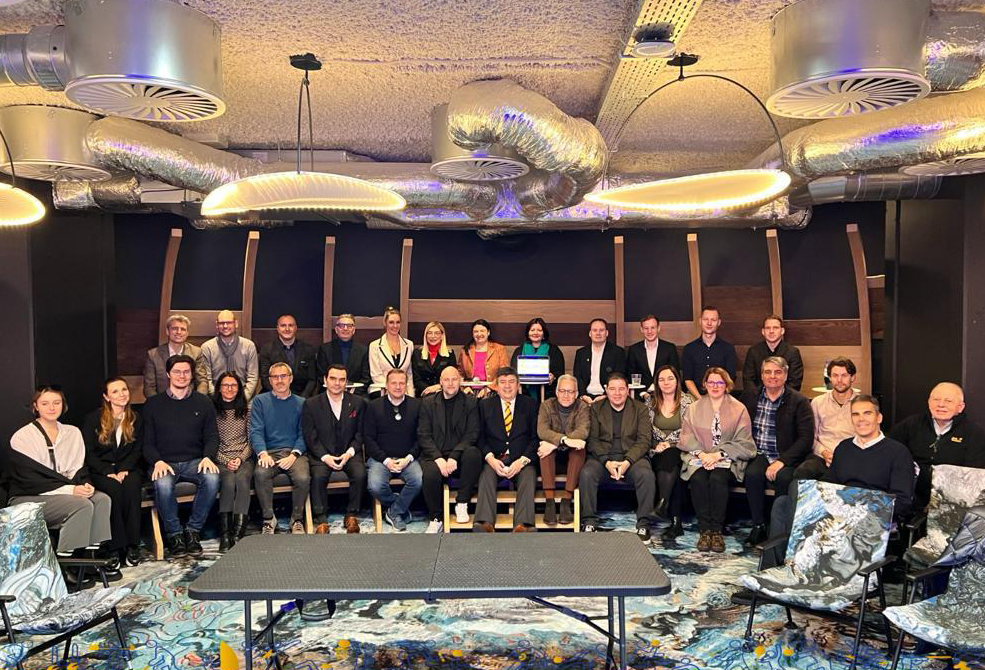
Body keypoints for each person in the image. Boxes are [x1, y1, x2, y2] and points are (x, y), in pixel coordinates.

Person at [771, 395, 916, 541]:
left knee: (800, 514)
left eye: (867, 413)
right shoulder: (843, 448)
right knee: (782, 503)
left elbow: (902, 502)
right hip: (840, 511)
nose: (861, 419)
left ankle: (795, 554)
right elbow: (829, 483)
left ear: (879, 418)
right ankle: (781, 559)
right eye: (855, 414)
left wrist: (861, 507)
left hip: (871, 516)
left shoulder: (898, 452)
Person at [5, 387, 113, 556]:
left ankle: (92, 558)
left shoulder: (72, 432)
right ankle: (67, 563)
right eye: (45, 403)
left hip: (64, 492)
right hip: (29, 496)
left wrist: (86, 485)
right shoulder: (23, 437)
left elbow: (79, 470)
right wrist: (72, 490)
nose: (52, 408)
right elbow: (31, 479)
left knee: (102, 499)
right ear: (36, 406)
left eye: (57, 403)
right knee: (80, 504)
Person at [141, 354, 220, 559]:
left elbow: (212, 436)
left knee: (212, 478)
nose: (182, 375)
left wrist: (208, 457)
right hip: (164, 462)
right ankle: (175, 535)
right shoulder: (153, 404)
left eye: (186, 371)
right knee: (163, 484)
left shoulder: (204, 403)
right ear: (168, 374)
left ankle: (193, 531)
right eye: (177, 371)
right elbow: (147, 442)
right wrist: (157, 461)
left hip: (195, 461)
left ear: (192, 374)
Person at [678, 367, 756, 553]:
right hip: (700, 456)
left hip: (726, 458)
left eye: (719, 382)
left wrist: (718, 454)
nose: (715, 386)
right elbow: (686, 437)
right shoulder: (694, 408)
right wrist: (703, 455)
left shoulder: (739, 408)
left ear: (727, 385)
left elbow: (745, 442)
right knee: (698, 479)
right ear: (704, 384)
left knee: (717, 479)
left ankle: (717, 530)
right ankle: (705, 530)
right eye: (711, 382)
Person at [739, 357, 814, 547]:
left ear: (786, 375)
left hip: (787, 456)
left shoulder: (799, 401)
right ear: (762, 375)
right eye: (768, 372)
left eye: (777, 372)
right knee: (752, 475)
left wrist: (782, 461)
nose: (772, 376)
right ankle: (758, 526)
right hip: (759, 452)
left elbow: (806, 439)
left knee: (783, 478)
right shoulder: (750, 396)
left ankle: (776, 531)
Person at [579, 373, 655, 539]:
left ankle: (643, 523)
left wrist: (627, 462)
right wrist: (606, 462)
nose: (617, 393)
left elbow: (644, 441)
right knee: (587, 473)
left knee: (646, 474)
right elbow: (592, 441)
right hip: (603, 458)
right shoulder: (596, 408)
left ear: (628, 390)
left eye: (621, 389)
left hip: (632, 458)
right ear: (606, 390)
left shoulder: (640, 409)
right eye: (612, 389)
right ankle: (589, 521)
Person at [889, 382, 985, 512]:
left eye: (948, 401)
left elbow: (973, 478)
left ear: (960, 407)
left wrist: (941, 503)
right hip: (910, 495)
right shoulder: (911, 424)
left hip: (951, 503)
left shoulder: (975, 434)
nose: (941, 404)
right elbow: (890, 453)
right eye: (936, 399)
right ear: (929, 402)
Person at [82, 378, 144, 566]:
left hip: (128, 468)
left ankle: (133, 544)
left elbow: (138, 449)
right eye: (115, 391)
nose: (121, 394)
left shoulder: (136, 418)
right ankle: (115, 547)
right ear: (106, 396)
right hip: (101, 470)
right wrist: (107, 471)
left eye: (124, 389)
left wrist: (125, 469)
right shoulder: (93, 418)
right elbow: (88, 452)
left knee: (132, 487)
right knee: (114, 491)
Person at [302, 364, 367, 534]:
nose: (337, 383)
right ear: (325, 380)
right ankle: (321, 519)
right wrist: (324, 456)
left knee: (360, 474)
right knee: (318, 476)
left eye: (341, 379)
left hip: (349, 452)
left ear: (346, 382)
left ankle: (351, 514)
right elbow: (310, 436)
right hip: (322, 454)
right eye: (333, 378)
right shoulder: (311, 404)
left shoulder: (358, 403)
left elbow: (361, 433)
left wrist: (349, 453)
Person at [418, 365, 482, 532]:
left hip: (459, 454)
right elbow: (424, 435)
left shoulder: (471, 403)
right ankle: (436, 517)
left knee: (474, 454)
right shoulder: (428, 403)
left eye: (454, 379)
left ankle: (462, 503)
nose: (451, 383)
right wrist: (438, 458)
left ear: (460, 381)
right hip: (435, 455)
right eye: (446, 379)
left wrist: (454, 455)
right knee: (430, 473)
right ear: (440, 382)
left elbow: (472, 433)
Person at [475, 366, 538, 532]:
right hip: (495, 458)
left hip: (521, 459)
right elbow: (479, 437)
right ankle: (484, 523)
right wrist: (490, 459)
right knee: (486, 474)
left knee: (528, 476)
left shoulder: (530, 404)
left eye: (511, 382)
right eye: (503, 382)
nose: (507, 386)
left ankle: (523, 525)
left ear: (518, 385)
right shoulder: (485, 405)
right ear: (496, 385)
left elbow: (535, 438)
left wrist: (522, 461)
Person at [250, 362, 310, 535]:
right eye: (275, 377)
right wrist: (262, 453)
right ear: (269, 380)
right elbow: (255, 431)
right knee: (260, 474)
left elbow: (304, 433)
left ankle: (297, 520)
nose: (279, 380)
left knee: (303, 477)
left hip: (294, 453)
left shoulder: (301, 403)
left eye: (283, 376)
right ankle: (269, 519)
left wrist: (294, 454)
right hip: (269, 453)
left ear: (290, 379)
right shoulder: (260, 402)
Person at [364, 368, 422, 531]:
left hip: (408, 459)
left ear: (406, 385)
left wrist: (409, 458)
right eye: (394, 383)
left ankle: (394, 511)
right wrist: (386, 460)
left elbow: (421, 437)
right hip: (381, 459)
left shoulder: (417, 405)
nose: (398, 387)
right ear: (387, 385)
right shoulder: (373, 406)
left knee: (418, 480)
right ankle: (400, 506)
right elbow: (368, 438)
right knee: (375, 485)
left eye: (401, 383)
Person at [648, 365, 694, 540]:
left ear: (677, 381)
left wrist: (671, 443)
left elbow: (691, 431)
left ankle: (663, 503)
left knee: (672, 458)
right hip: (656, 450)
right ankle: (675, 521)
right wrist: (655, 445)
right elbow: (645, 430)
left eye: (670, 378)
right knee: (668, 463)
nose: (666, 383)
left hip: (681, 449)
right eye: (661, 379)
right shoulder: (650, 402)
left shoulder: (688, 402)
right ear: (656, 383)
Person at [794, 357, 858, 481]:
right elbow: (810, 437)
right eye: (835, 375)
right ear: (829, 378)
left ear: (853, 377)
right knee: (803, 472)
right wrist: (824, 452)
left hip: (851, 456)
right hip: (822, 456)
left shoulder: (862, 403)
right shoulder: (818, 402)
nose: (839, 380)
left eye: (844, 375)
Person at [536, 374, 589, 525]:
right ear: (556, 392)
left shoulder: (583, 406)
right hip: (552, 459)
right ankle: (550, 501)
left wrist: (555, 442)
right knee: (544, 448)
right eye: (563, 391)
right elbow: (542, 430)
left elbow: (583, 432)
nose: (566, 395)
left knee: (579, 449)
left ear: (577, 394)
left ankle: (566, 500)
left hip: (573, 460)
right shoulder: (546, 405)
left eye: (570, 392)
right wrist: (563, 440)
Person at [213, 372, 253, 551]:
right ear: (219, 388)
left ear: (239, 389)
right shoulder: (212, 411)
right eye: (225, 385)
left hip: (243, 457)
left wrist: (239, 458)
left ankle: (238, 531)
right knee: (228, 481)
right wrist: (225, 460)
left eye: (234, 385)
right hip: (221, 458)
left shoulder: (247, 410)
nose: (229, 389)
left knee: (242, 479)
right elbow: (210, 443)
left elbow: (251, 441)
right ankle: (225, 533)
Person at [197, 309, 259, 399]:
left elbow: (253, 377)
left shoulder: (249, 346)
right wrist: (218, 398)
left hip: (244, 395)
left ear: (236, 324)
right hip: (216, 395)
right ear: (217, 325)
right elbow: (207, 379)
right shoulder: (207, 348)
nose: (225, 326)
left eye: (229, 322)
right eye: (222, 323)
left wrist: (244, 398)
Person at [681, 307, 738, 398]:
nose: (709, 323)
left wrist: (716, 398)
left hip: (721, 397)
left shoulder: (728, 349)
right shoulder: (689, 348)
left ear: (719, 322)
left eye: (713, 320)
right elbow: (688, 379)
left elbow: (730, 379)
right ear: (700, 321)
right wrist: (701, 400)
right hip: (695, 398)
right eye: (705, 319)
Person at [259, 314, 318, 397]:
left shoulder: (308, 350)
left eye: (290, 325)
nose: (287, 329)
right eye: (283, 325)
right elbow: (265, 379)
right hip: (275, 397)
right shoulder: (267, 349)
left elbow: (312, 379)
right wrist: (279, 397)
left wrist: (302, 399)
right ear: (277, 328)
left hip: (302, 397)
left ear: (296, 328)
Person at [143, 314, 201, 399]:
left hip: (190, 402)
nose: (179, 332)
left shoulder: (196, 352)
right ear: (167, 331)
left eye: (183, 329)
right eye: (175, 328)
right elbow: (149, 387)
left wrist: (197, 400)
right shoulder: (153, 355)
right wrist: (158, 404)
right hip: (162, 404)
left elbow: (202, 381)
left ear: (187, 333)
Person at [741, 315, 805, 391]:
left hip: (785, 400)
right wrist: (759, 397)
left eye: (775, 328)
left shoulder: (792, 352)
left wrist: (778, 397)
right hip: (758, 399)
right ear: (763, 332)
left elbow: (795, 382)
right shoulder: (753, 351)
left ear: (782, 331)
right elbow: (748, 380)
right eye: (768, 328)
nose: (771, 331)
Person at [511, 317, 565, 401]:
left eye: (539, 330)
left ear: (544, 333)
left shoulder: (554, 350)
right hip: (523, 394)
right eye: (532, 330)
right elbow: (513, 372)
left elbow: (560, 372)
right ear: (528, 333)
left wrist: (553, 376)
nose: (535, 333)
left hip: (548, 394)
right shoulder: (519, 351)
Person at [573, 318, 626, 403]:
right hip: (585, 398)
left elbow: (619, 377)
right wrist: (583, 395)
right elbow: (577, 377)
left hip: (608, 397)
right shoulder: (581, 353)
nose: (598, 333)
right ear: (590, 333)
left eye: (601, 330)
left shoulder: (617, 353)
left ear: (607, 333)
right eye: (595, 330)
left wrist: (605, 395)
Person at [625, 315, 680, 392]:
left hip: (664, 393)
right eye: (646, 328)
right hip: (641, 395)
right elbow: (630, 376)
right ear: (641, 329)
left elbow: (675, 375)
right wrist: (643, 394)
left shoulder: (670, 348)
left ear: (658, 328)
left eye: (652, 328)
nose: (649, 331)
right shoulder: (634, 350)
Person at [316, 313, 371, 391]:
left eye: (349, 326)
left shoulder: (363, 350)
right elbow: (321, 377)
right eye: (341, 325)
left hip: (356, 394)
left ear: (354, 330)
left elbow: (366, 379)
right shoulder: (325, 349)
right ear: (336, 329)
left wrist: (352, 393)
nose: (345, 328)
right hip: (330, 393)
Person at [369, 307, 415, 396]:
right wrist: (392, 388)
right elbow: (376, 375)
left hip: (404, 390)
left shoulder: (409, 345)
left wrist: (410, 393)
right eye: (391, 322)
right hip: (382, 389)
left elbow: (409, 373)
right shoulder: (374, 345)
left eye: (398, 322)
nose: (395, 326)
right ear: (385, 323)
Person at [459, 319, 508, 398]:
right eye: (476, 331)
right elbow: (460, 373)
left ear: (488, 332)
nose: (479, 334)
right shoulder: (465, 350)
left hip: (492, 391)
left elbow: (504, 373)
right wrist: (464, 387)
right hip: (470, 391)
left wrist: (490, 388)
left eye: (482, 331)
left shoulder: (499, 349)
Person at [412, 321, 457, 396]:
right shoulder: (417, 353)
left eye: (437, 333)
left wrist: (438, 387)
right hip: (423, 395)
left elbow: (452, 377)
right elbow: (416, 379)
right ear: (425, 336)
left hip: (443, 395)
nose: (433, 336)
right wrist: (428, 390)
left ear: (442, 335)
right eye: (429, 333)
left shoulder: (449, 354)